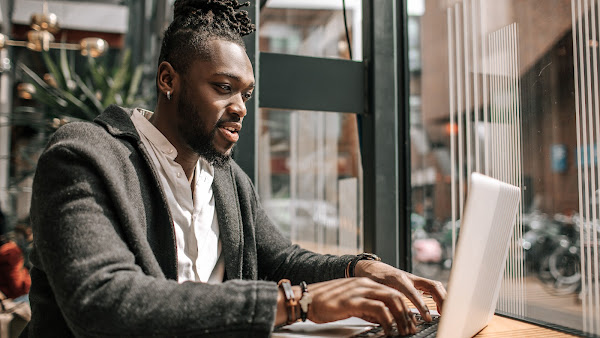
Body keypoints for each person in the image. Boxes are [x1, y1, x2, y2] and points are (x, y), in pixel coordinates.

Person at [24, 0, 446, 336]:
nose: (240, 108)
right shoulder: (83, 156)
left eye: (245, 92)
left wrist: (360, 269)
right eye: (223, 88)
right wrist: (297, 304)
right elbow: (104, 304)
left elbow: (280, 259)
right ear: (168, 80)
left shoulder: (225, 177)